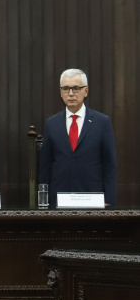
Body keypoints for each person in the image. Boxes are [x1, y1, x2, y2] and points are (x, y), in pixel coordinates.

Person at [39, 68, 117, 205]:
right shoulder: (52, 123)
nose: (70, 94)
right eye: (65, 89)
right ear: (60, 92)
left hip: (93, 198)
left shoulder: (102, 122)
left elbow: (109, 165)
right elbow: (45, 166)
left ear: (85, 91)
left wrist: (109, 200)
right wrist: (44, 200)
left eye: (76, 88)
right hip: (58, 199)